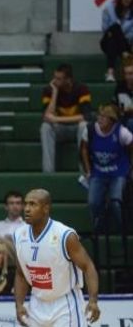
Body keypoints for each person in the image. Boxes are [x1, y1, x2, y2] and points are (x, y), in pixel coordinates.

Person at [13, 189, 100, 327]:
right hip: (37, 303)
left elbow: (88, 267)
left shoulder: (64, 235)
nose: (27, 209)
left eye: (33, 204)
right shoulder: (19, 235)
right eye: (26, 204)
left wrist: (93, 300)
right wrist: (19, 304)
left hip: (65, 304)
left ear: (46, 208)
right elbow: (20, 273)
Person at [80, 103, 133, 234]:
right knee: (93, 202)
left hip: (118, 172)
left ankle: (123, 229)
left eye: (104, 117)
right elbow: (84, 149)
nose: (100, 119)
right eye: (99, 116)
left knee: (116, 202)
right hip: (98, 172)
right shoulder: (90, 130)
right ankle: (99, 228)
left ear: (112, 120)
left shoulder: (122, 132)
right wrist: (88, 169)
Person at [40, 64, 92, 173]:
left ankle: (84, 172)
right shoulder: (48, 90)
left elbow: (85, 116)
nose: (55, 81)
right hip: (60, 130)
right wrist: (54, 93)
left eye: (59, 79)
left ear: (68, 80)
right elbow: (47, 117)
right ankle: (48, 173)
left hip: (76, 128)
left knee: (84, 125)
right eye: (55, 77)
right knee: (45, 127)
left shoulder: (82, 89)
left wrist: (57, 119)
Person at [100, 0, 133, 82]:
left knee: (113, 41)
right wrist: (115, 32)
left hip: (125, 43)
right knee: (115, 27)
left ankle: (110, 73)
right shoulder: (109, 8)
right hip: (107, 41)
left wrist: (119, 36)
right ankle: (125, 54)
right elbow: (105, 29)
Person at [113, 55, 133, 131]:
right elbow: (114, 105)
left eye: (131, 73)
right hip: (123, 118)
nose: (128, 77)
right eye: (126, 74)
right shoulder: (120, 87)